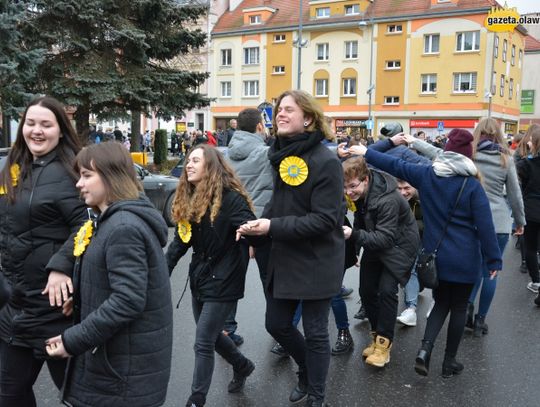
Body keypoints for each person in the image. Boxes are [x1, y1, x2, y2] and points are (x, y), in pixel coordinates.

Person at [348, 128, 502, 378]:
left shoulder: (428, 175)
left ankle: (424, 350)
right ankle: (449, 361)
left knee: (440, 303)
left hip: (436, 256)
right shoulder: (472, 186)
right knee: (460, 307)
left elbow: (395, 164)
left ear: (446, 153)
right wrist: (494, 259)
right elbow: (485, 226)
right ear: (467, 157)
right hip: (466, 257)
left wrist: (368, 152)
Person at [237, 90, 345, 407]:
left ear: (308, 118)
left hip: (318, 258)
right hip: (286, 254)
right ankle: (307, 373)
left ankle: (317, 396)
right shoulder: (282, 156)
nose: (280, 114)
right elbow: (278, 205)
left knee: (315, 331)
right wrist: (255, 231)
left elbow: (326, 220)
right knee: (277, 324)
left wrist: (273, 228)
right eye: (278, 109)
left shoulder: (326, 161)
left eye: (288, 110)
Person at [45, 142, 173, 406]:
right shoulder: (112, 220)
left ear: (111, 175)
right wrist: (83, 296)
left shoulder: (122, 227)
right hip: (119, 365)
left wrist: (73, 340)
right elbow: (114, 281)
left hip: (122, 374)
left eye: (86, 175)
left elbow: (128, 300)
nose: (79, 184)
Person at [0, 96, 87, 407]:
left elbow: (88, 225)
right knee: (9, 395)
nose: (36, 131)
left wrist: (63, 266)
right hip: (15, 307)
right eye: (31, 123)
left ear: (61, 130)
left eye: (46, 125)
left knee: (76, 397)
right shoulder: (13, 167)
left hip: (55, 311)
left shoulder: (72, 170)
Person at [406, 122, 525, 337]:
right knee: (490, 273)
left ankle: (466, 308)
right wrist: (519, 221)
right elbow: (515, 195)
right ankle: (480, 321)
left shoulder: (469, 156)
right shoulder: (506, 159)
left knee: (473, 269)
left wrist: (413, 141)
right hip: (498, 222)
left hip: (471, 219)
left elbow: (437, 152)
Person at [166, 144, 260, 407]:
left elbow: (253, 227)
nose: (189, 165)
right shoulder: (191, 198)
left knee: (203, 342)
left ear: (211, 166)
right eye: (188, 161)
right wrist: (163, 274)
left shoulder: (230, 199)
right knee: (212, 336)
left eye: (196, 160)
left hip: (226, 277)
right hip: (201, 276)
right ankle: (242, 365)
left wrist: (250, 233)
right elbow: (180, 243)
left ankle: (196, 400)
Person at [342, 157, 420, 367]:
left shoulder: (388, 199)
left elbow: (384, 238)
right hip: (377, 242)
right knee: (366, 291)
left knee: (386, 291)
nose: (349, 192)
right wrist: (356, 250)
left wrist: (354, 236)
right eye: (345, 187)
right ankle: (377, 339)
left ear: (365, 180)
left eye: (353, 186)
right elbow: (360, 221)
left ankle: (384, 346)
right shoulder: (360, 195)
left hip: (399, 247)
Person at [224, 108, 274, 346]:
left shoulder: (225, 155)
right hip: (261, 225)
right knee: (269, 279)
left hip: (232, 224)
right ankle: (279, 330)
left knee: (231, 276)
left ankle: (227, 329)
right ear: (259, 127)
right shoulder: (266, 154)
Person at [516, 124, 540, 304]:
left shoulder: (526, 164)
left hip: (531, 210)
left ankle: (536, 280)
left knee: (530, 247)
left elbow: (514, 185)